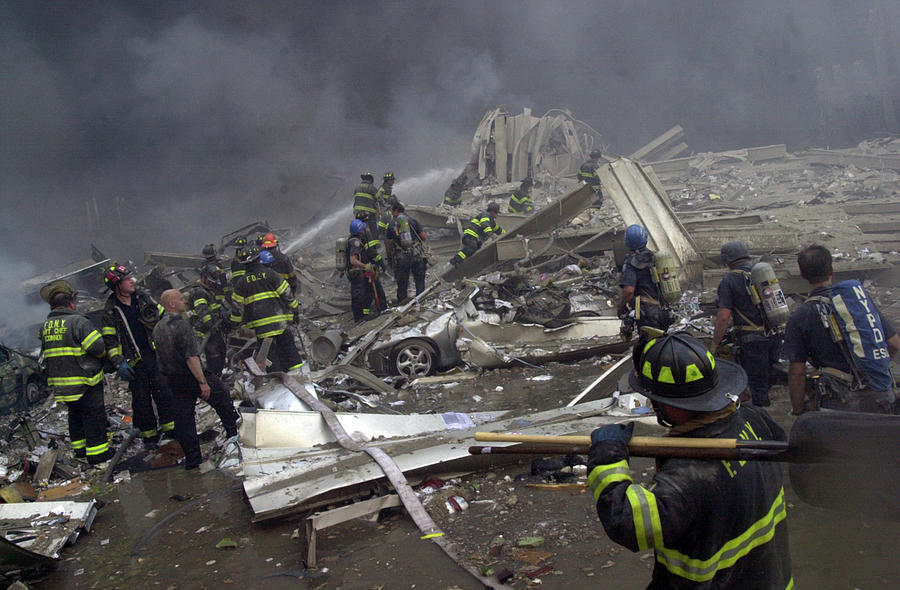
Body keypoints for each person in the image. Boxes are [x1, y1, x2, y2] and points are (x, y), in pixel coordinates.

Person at [587, 332, 792, 589]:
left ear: (670, 405)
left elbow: (628, 523)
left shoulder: (687, 475)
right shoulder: (755, 419)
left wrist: (607, 457)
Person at [785, 244, 900, 415]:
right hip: (880, 395)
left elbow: (797, 374)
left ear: (802, 275)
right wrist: (874, 368)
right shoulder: (859, 301)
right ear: (831, 269)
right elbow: (894, 344)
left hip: (838, 403)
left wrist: (798, 409)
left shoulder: (800, 316)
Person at [152, 289, 239, 470]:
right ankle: (235, 436)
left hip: (173, 380)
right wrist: (202, 382)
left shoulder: (158, 328)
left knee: (184, 421)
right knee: (222, 397)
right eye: (181, 298)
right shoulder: (181, 325)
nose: (185, 301)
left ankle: (193, 460)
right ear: (172, 304)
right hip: (191, 376)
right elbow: (191, 357)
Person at [39, 280, 113, 465]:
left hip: (62, 384)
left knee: (75, 415)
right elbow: (97, 347)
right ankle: (98, 454)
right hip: (84, 380)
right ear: (71, 303)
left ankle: (80, 450)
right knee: (93, 416)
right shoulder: (78, 322)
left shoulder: (46, 326)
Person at [101, 263, 175, 445]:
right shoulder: (111, 309)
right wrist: (119, 362)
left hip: (153, 354)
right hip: (133, 361)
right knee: (141, 401)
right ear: (118, 284)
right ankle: (150, 437)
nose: (132, 281)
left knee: (164, 392)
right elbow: (110, 340)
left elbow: (162, 314)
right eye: (127, 279)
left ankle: (172, 430)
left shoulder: (142, 298)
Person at [710, 241, 781, 407]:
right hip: (775, 335)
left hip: (752, 340)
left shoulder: (729, 280)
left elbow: (723, 317)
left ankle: (762, 422)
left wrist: (714, 344)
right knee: (768, 379)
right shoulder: (761, 275)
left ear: (727, 260)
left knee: (758, 386)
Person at [231, 248, 303, 373]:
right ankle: (301, 378)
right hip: (280, 324)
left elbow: (237, 309)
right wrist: (295, 313)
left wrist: (234, 325)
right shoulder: (271, 275)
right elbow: (288, 295)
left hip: (262, 329)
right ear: (258, 259)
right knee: (290, 352)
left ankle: (278, 383)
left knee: (271, 358)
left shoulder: (241, 283)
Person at [617, 224, 672, 339]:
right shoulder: (656, 258)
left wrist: (621, 306)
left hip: (646, 315)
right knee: (662, 343)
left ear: (627, 243)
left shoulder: (631, 263)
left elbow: (628, 291)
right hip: (664, 311)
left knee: (649, 348)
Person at [185, 267, 228, 376]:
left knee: (221, 351)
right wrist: (211, 325)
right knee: (213, 356)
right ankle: (214, 378)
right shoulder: (198, 291)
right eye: (209, 281)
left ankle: (219, 376)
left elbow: (215, 307)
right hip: (204, 331)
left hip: (213, 328)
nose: (210, 283)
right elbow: (202, 311)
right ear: (203, 277)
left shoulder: (207, 290)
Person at [386, 200, 428, 303]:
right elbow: (423, 237)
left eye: (392, 211)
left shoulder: (392, 224)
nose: (392, 213)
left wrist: (390, 258)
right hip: (416, 254)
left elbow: (388, 243)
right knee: (419, 280)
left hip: (401, 257)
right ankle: (421, 301)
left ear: (396, 211)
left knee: (402, 282)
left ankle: (402, 303)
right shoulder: (413, 220)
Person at [347, 218, 386, 321]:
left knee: (367, 293)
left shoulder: (355, 240)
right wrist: (365, 266)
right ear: (359, 231)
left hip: (360, 273)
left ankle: (365, 314)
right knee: (358, 296)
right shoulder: (355, 243)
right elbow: (353, 260)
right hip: (357, 273)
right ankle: (359, 318)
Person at [450, 202, 504, 266]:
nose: (497, 215)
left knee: (475, 250)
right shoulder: (485, 215)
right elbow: (484, 224)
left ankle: (464, 263)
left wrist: (505, 234)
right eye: (497, 213)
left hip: (475, 239)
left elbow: (498, 230)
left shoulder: (492, 222)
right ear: (493, 212)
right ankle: (455, 260)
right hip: (470, 235)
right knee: (472, 247)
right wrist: (491, 234)